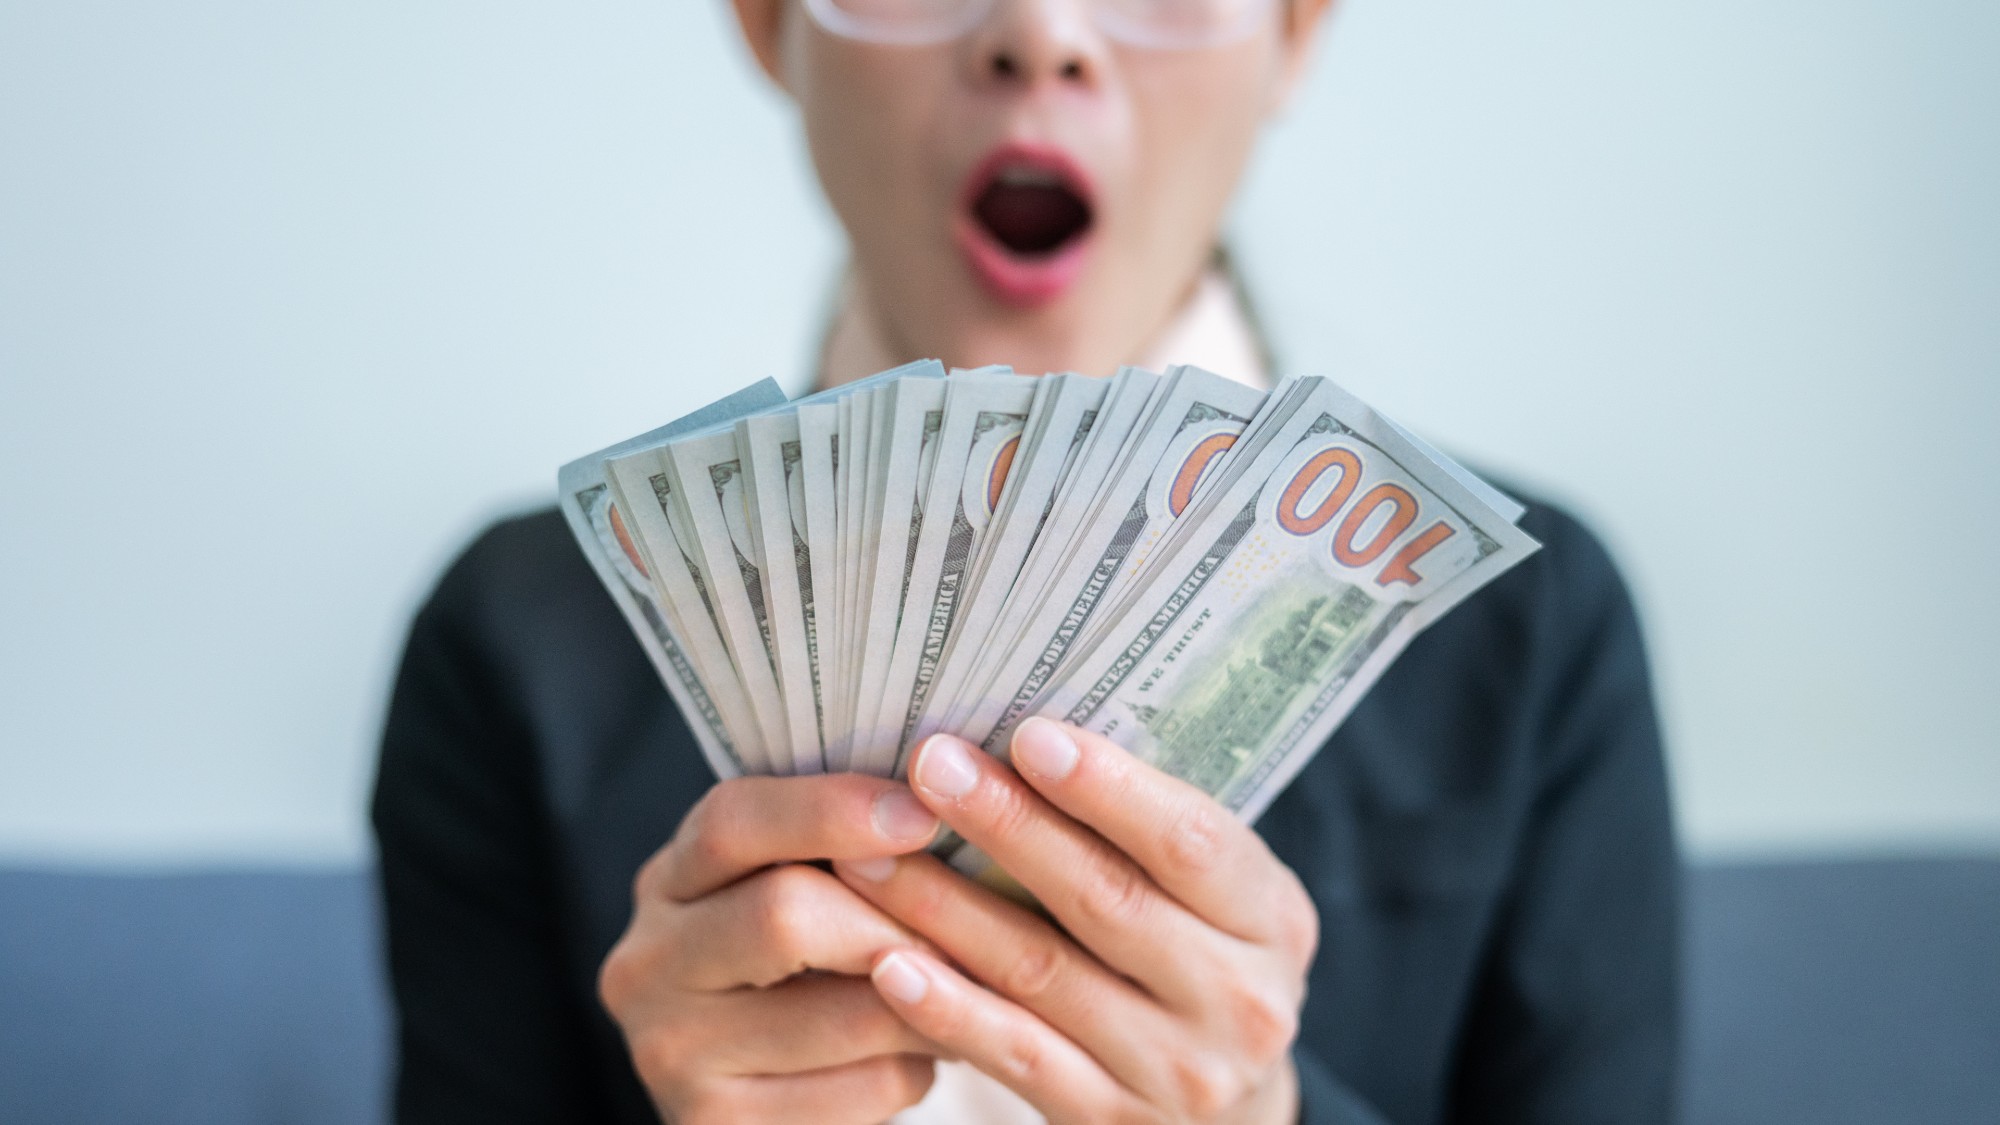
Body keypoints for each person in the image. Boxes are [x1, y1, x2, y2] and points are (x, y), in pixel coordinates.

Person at [371, 0, 1682, 1121]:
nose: (1039, 35)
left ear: (1295, 31)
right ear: (767, 23)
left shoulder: (1533, 628)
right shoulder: (515, 641)